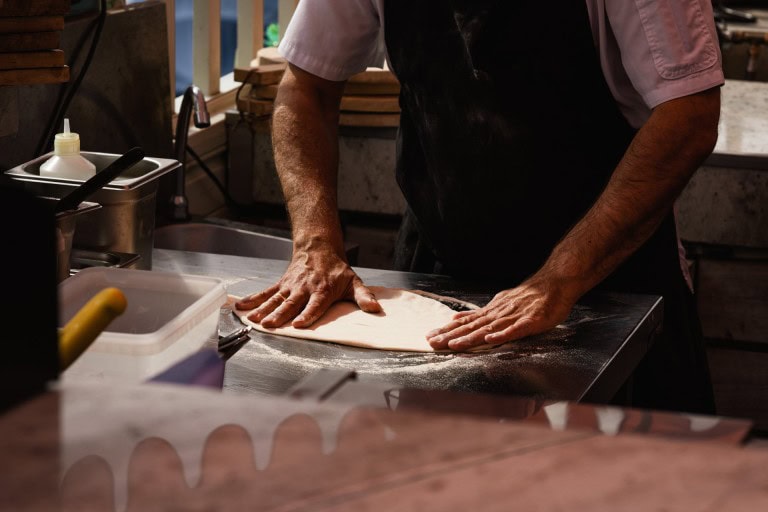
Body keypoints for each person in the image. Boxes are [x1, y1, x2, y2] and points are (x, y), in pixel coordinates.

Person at [235, 1, 723, 415]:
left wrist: (559, 278)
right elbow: (307, 87)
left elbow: (688, 117)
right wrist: (316, 244)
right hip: (441, 276)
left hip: (612, 284)